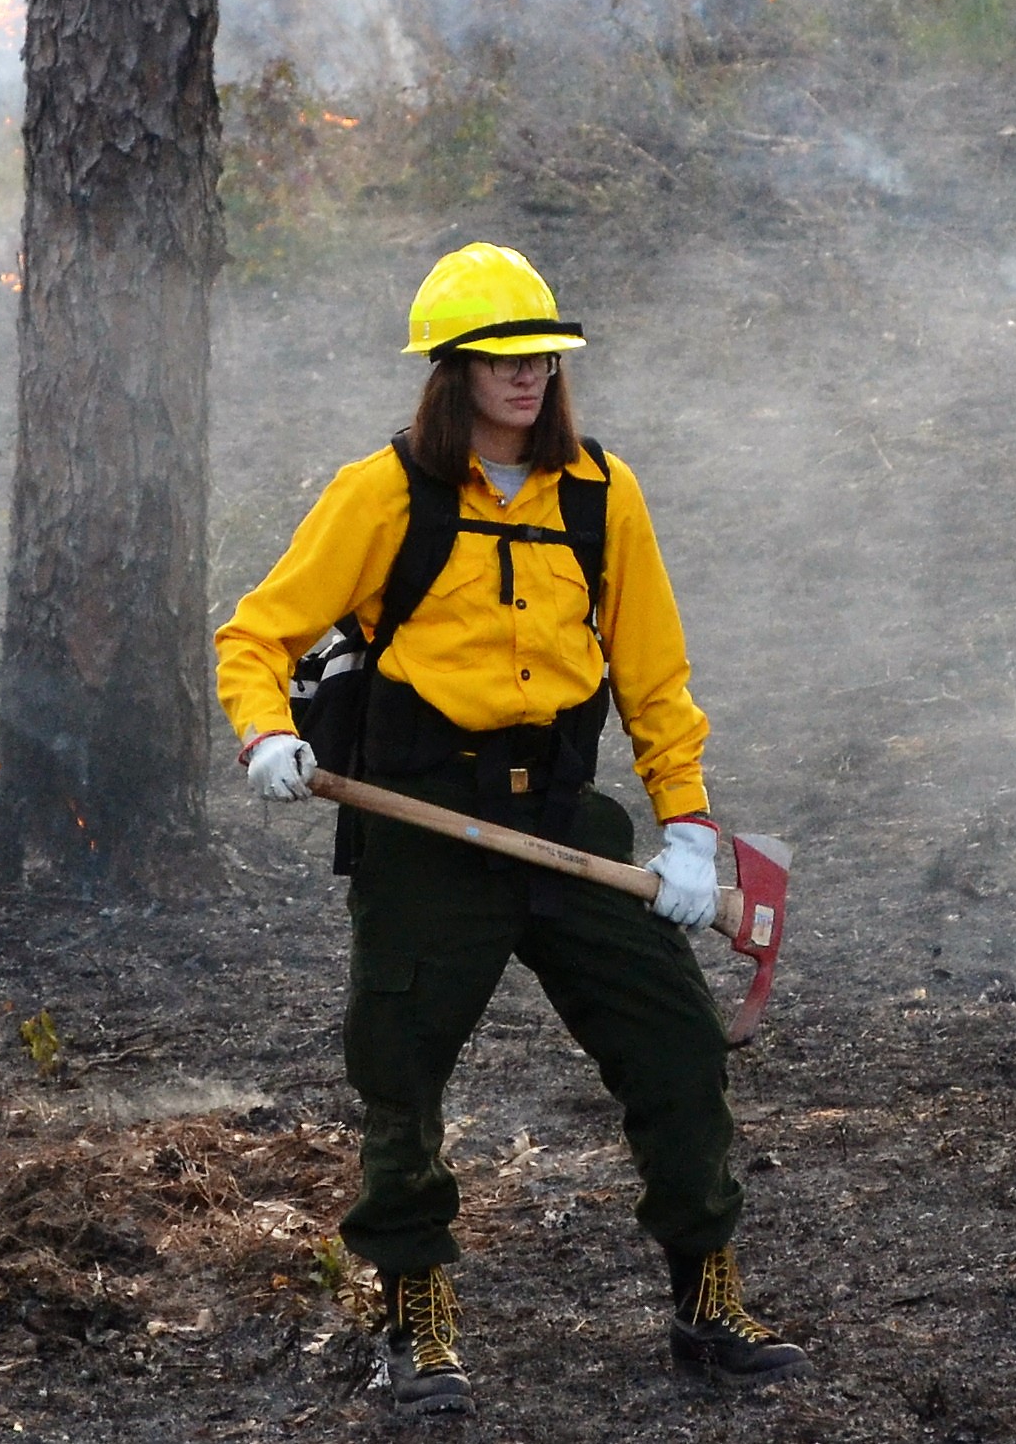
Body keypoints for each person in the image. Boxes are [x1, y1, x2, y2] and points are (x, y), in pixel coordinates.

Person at [215, 243, 810, 1415]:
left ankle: (709, 1299)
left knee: (677, 1045)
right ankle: (415, 1317)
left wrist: (686, 824)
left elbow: (655, 674)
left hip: (563, 818)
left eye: (542, 353)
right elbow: (255, 635)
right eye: (502, 357)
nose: (529, 374)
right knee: (402, 1069)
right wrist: (263, 735)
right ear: (451, 370)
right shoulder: (380, 493)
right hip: (425, 823)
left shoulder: (600, 490)